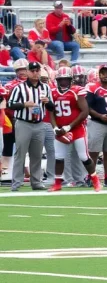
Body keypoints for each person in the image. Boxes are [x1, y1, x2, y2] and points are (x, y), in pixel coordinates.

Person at [47, 66, 101, 192]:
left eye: (66, 79)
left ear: (70, 79)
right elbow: (51, 112)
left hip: (77, 129)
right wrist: (55, 127)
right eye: (61, 79)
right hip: (60, 129)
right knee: (59, 157)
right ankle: (57, 183)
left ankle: (95, 180)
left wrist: (69, 126)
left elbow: (84, 111)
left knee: (84, 156)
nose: (63, 82)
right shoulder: (53, 92)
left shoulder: (77, 91)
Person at [7, 61, 51, 191]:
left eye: (37, 70)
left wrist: (48, 102)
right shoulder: (19, 88)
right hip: (23, 123)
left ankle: (36, 182)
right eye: (32, 70)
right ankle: (16, 182)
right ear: (27, 72)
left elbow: (52, 107)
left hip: (39, 124)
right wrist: (24, 104)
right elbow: (10, 104)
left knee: (36, 155)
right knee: (20, 153)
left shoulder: (46, 87)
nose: (35, 73)